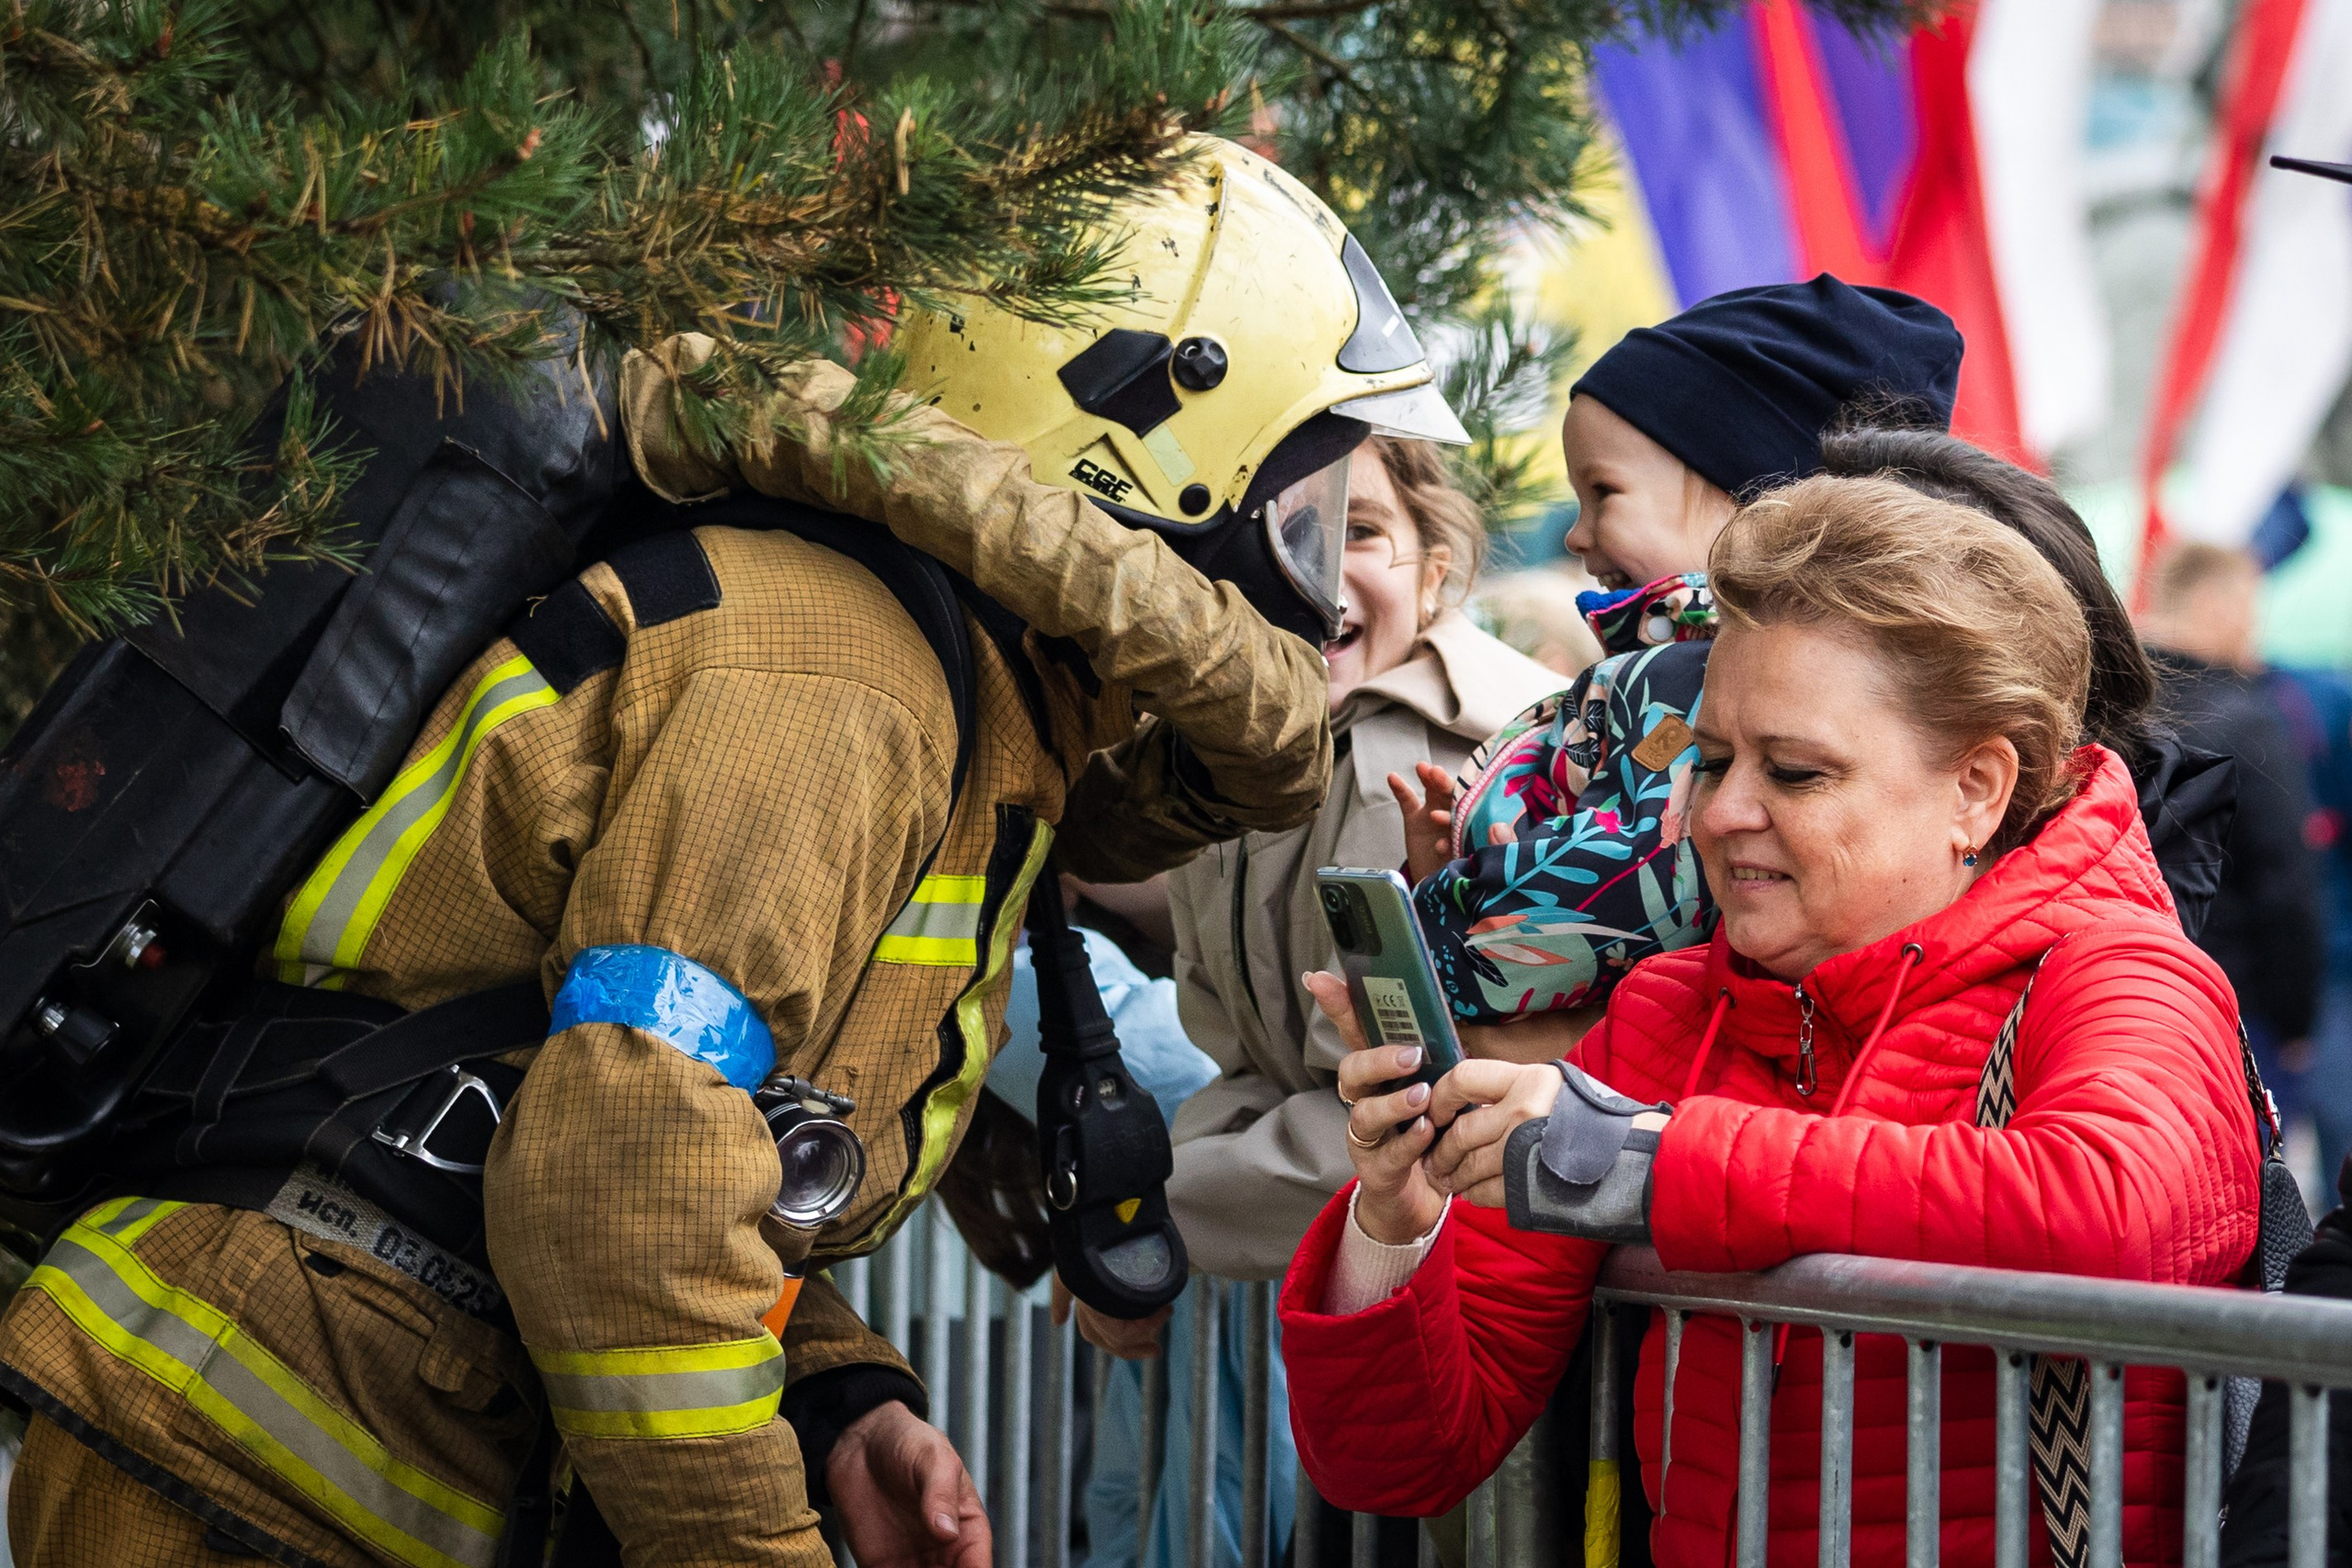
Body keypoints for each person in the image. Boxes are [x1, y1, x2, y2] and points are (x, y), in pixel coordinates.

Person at [0, 137, 1469, 1568]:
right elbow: (615, 1189)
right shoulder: (834, 686)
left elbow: (657, 1126)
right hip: (259, 1456)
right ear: (1148, 457)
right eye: (1299, 503)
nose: (1317, 574)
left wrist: (833, 1394)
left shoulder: (935, 701)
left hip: (341, 1428)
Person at [1280, 477, 2265, 1564]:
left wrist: (1655, 1166)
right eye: (1709, 759)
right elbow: (1399, 1459)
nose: (1719, 812)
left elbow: (2113, 1214)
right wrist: (1396, 1222)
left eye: (1794, 772)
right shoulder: (1666, 1010)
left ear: (1976, 791)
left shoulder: (2116, 968)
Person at [1063, 436, 1557, 1568]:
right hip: (1286, 1238)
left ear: (1438, 568)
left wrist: (1145, 1222)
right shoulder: (1246, 750)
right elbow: (1236, 1056)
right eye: (1277, 538)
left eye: (1362, 532)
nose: (1318, 574)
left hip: (1425, 1286)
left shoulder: (1451, 749)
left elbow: (1410, 1103)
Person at [1404, 276, 1966, 1027]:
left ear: (1749, 496)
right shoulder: (1648, 678)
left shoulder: (1705, 686)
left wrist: (1436, 915)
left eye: (1605, 492)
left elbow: (1630, 889)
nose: (1575, 535)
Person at [2141, 543, 2326, 1159]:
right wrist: (2297, 1018)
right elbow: (2288, 886)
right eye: (2250, 608)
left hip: (2127, 995)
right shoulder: (2249, 719)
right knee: (2248, 1187)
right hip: (2232, 1008)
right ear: (2217, 605)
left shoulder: (2110, 707)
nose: (2254, 628)